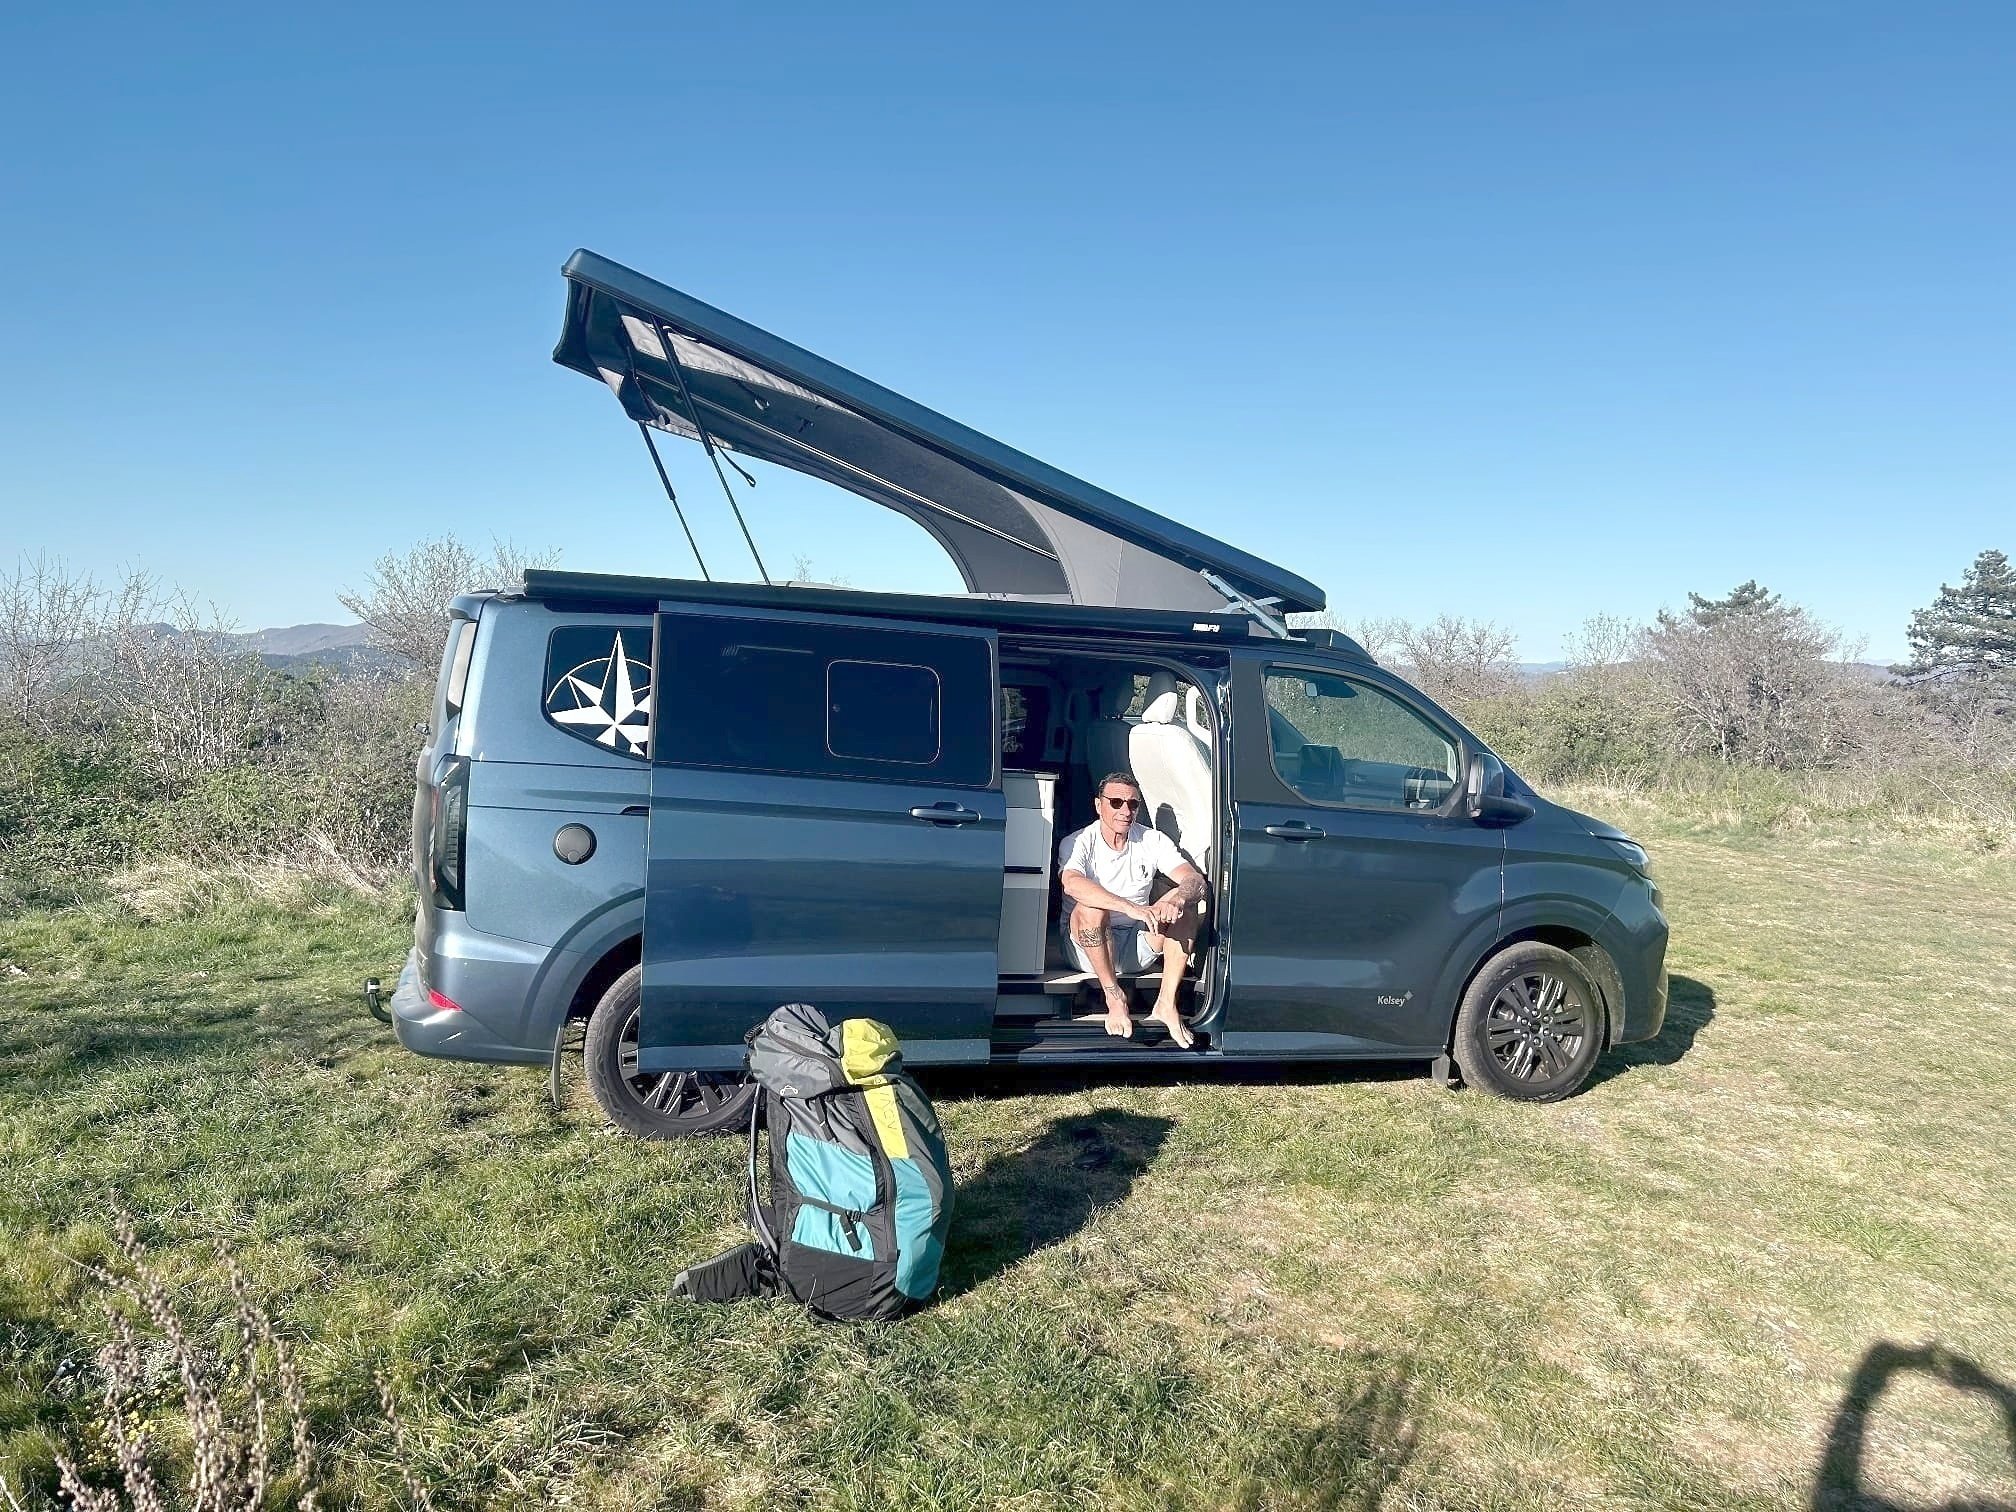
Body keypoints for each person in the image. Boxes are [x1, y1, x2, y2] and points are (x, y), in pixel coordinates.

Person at [1057, 771, 1207, 1047]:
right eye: (1116, 802)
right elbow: (1072, 884)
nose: (1125, 811)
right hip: (1087, 949)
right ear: (1098, 805)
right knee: (1091, 908)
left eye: (1133, 804)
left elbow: (1195, 880)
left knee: (1184, 905)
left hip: (1136, 945)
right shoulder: (1078, 842)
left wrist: (1176, 899)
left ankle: (1166, 1003)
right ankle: (1114, 997)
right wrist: (1131, 908)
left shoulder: (1152, 840)